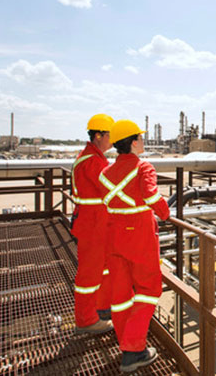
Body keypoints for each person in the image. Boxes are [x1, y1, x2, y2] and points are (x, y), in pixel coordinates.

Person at [99, 119, 169, 373]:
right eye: (140, 138)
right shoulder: (143, 167)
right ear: (132, 142)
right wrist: (165, 212)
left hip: (114, 235)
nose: (142, 141)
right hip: (139, 235)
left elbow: (106, 200)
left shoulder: (105, 173)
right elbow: (151, 195)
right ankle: (133, 350)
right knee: (149, 290)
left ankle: (125, 343)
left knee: (120, 296)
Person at [72, 113, 115, 334]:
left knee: (103, 269)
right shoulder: (92, 162)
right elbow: (111, 189)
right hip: (92, 226)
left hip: (98, 224)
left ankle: (101, 307)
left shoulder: (94, 158)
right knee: (89, 273)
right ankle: (86, 320)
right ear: (98, 135)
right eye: (110, 135)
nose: (113, 140)